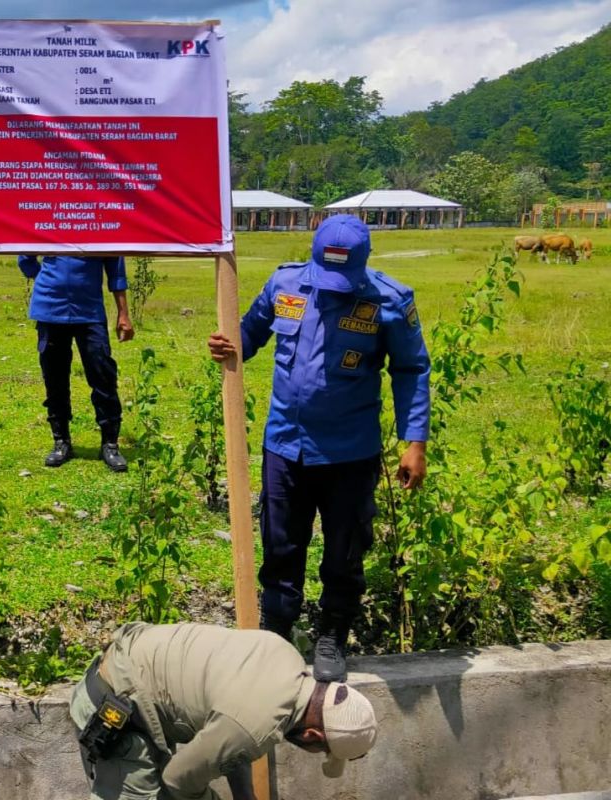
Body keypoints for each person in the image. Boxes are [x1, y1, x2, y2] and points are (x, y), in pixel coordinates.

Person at [207, 214, 430, 682]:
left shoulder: (389, 300)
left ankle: (332, 633)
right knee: (281, 545)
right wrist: (231, 344)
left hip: (350, 452)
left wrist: (415, 441)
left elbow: (411, 370)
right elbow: (251, 332)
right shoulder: (285, 285)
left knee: (344, 551)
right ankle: (276, 636)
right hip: (285, 446)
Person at [71, 622, 377, 800]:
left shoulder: (283, 656)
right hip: (113, 711)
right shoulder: (255, 727)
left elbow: (232, 736)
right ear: (312, 735)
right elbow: (178, 779)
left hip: (126, 674)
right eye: (321, 750)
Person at [17, 254, 134, 471]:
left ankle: (110, 444)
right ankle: (61, 441)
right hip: (50, 308)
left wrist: (123, 313)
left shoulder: (99, 225)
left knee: (103, 375)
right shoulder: (48, 221)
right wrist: (43, 276)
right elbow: (25, 256)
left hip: (90, 311)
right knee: (54, 378)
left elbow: (116, 268)